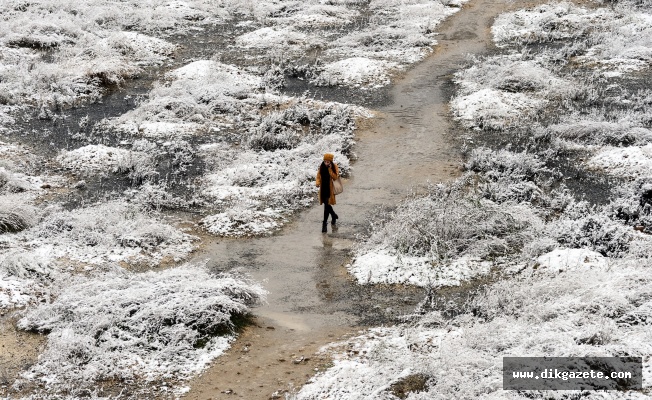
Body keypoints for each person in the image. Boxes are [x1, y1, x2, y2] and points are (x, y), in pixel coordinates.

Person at [316, 153, 339, 233]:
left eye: (328, 162)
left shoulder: (334, 166)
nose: (326, 163)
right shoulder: (322, 166)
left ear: (330, 162)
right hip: (323, 188)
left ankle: (324, 223)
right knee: (327, 205)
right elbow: (318, 175)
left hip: (330, 189)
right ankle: (333, 215)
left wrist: (329, 169)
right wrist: (317, 183)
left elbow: (335, 177)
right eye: (325, 161)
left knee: (326, 205)